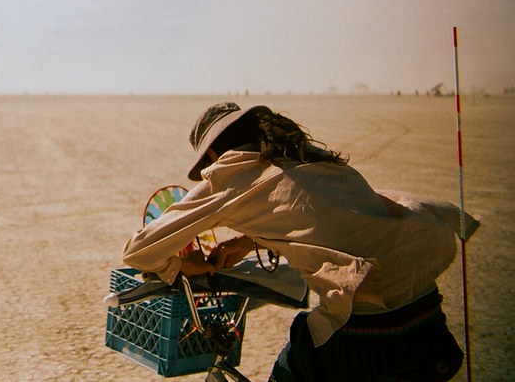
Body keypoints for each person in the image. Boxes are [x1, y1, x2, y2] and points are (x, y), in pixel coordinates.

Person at [122, 102, 477, 381]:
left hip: (368, 328)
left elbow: (139, 251)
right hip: (426, 313)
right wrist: (247, 242)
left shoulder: (228, 173)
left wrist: (183, 264)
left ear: (213, 154)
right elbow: (323, 217)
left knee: (298, 352)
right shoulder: (306, 156)